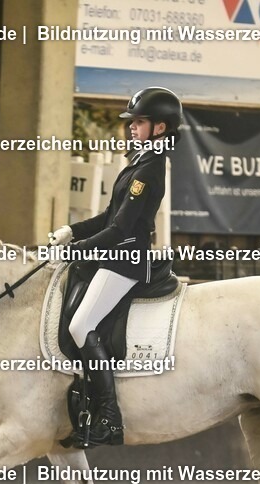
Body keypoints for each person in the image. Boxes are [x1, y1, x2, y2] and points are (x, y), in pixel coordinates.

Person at [49, 86, 183, 449]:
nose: (131, 127)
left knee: (81, 325)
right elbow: (110, 216)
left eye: (139, 122)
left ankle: (109, 418)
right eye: (132, 122)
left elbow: (121, 229)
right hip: (112, 255)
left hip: (125, 261)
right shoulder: (138, 161)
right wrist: (71, 231)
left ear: (160, 127)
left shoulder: (151, 169)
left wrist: (79, 250)